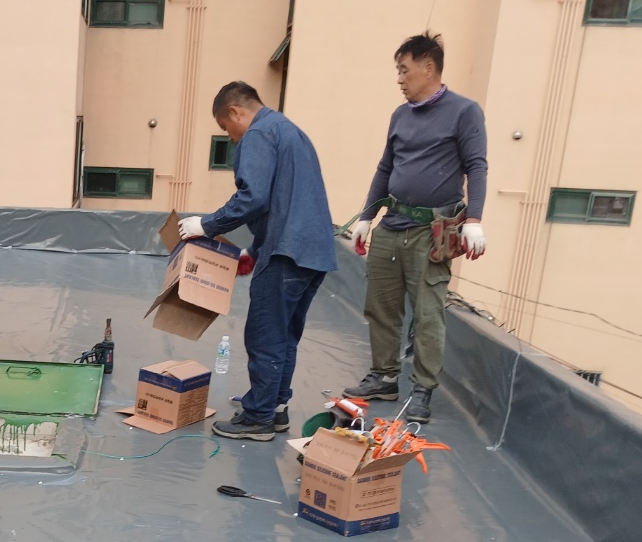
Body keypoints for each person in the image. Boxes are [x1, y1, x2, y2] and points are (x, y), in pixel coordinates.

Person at [179, 82, 337, 441]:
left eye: (225, 128)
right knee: (285, 334)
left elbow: (254, 198)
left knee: (265, 334)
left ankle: (258, 417)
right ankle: (276, 407)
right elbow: (286, 199)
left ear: (235, 112)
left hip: (286, 253)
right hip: (313, 252)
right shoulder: (290, 131)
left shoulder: (258, 133)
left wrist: (206, 225)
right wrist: (255, 248)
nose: (231, 137)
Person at [344, 31, 488, 424]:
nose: (400, 79)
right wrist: (367, 216)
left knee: (427, 314)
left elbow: (476, 166)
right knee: (380, 305)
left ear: (428, 68)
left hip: (430, 231)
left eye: (404, 70)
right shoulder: (400, 115)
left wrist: (474, 220)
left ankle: (422, 388)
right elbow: (385, 167)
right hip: (392, 224)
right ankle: (384, 376)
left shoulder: (464, 112)